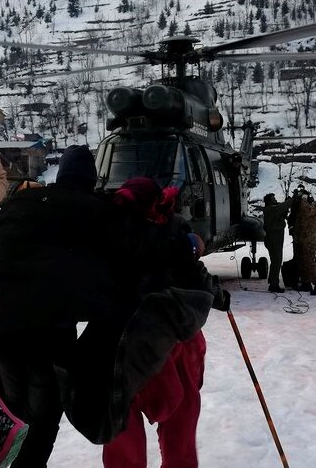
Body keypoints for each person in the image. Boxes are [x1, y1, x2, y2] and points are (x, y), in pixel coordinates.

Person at [0, 145, 127, 467]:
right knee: (42, 420)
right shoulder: (97, 211)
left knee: (8, 413)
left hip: (3, 331)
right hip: (51, 334)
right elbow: (121, 261)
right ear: (91, 179)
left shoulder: (20, 203)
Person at [101, 176, 226, 468]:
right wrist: (216, 293)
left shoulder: (111, 228)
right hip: (167, 338)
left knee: (123, 420)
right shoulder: (173, 229)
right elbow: (196, 273)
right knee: (179, 416)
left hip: (123, 341)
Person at [293, 189, 316, 296]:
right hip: (303, 238)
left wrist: (303, 198)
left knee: (309, 262)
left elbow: (306, 210)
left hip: (310, 239)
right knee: (302, 261)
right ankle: (306, 283)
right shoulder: (306, 206)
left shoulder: (314, 207)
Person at [262, 193, 293, 293]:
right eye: (273, 199)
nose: (275, 200)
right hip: (273, 239)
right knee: (276, 261)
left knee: (276, 261)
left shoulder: (272, 210)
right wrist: (291, 200)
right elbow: (282, 207)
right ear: (269, 201)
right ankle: (274, 285)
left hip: (275, 239)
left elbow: (281, 209)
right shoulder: (270, 209)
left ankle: (273, 282)